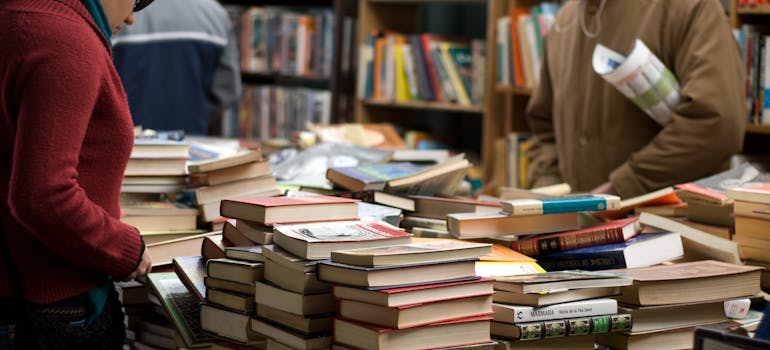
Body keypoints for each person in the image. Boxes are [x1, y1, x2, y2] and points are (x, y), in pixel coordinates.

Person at [0, 0, 153, 348]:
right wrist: (125, 249)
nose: (131, 17)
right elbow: (43, 195)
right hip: (47, 307)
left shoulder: (19, 16)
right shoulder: (64, 40)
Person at [525, 0, 746, 198]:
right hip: (575, 231)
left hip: (668, 228)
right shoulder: (565, 22)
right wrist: (550, 194)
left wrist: (624, 185)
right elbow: (544, 129)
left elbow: (716, 123)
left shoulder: (687, 7)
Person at [111, 0, 242, 135]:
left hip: (128, 140)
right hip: (190, 141)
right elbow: (227, 91)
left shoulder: (118, 11)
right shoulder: (216, 14)